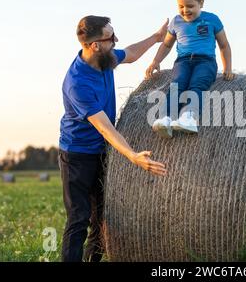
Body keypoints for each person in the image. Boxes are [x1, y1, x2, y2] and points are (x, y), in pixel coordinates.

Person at [59, 15, 168, 262]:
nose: (116, 40)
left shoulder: (104, 59)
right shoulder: (78, 83)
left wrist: (157, 37)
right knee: (79, 219)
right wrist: (132, 155)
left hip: (101, 151)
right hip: (77, 155)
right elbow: (105, 129)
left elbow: (130, 53)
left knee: (100, 218)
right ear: (95, 45)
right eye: (111, 37)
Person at [145, 0, 233, 138]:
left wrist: (227, 67)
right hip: (183, 61)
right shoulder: (176, 21)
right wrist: (156, 61)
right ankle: (167, 119)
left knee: (197, 84)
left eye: (190, 6)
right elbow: (166, 45)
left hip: (206, 62)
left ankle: (188, 117)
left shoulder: (212, 19)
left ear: (201, 3)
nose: (185, 10)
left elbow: (224, 45)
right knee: (177, 85)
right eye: (181, 6)